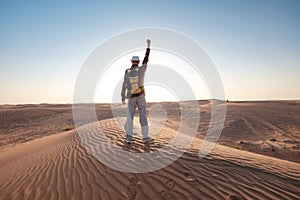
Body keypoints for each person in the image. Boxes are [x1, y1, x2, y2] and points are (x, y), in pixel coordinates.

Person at [121, 39, 151, 144]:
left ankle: (129, 138)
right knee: (143, 116)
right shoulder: (142, 69)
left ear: (131, 62)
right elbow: (146, 59)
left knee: (130, 118)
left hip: (131, 97)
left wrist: (122, 97)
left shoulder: (127, 71)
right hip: (141, 96)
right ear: (138, 62)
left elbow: (124, 84)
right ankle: (146, 137)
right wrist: (148, 46)